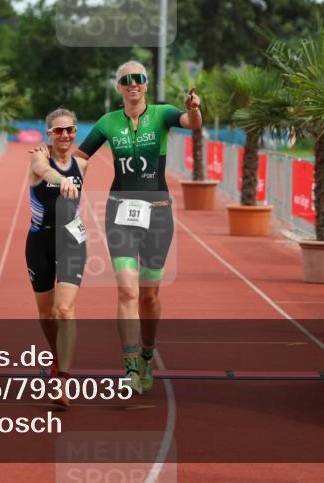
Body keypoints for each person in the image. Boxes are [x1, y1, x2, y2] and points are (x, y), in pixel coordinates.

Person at [74, 60, 201, 394]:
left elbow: (192, 124)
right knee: (128, 290)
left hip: (158, 215)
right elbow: (82, 156)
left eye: (139, 78)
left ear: (146, 84)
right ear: (118, 86)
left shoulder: (162, 114)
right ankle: (130, 367)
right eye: (126, 79)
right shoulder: (108, 122)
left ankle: (147, 353)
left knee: (149, 295)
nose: (133, 84)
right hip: (120, 213)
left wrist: (194, 109)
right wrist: (68, 174)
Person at [26, 108, 88, 408]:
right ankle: (56, 355)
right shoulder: (38, 158)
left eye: (70, 130)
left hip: (72, 240)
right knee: (47, 315)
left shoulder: (82, 164)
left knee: (64, 310)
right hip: (39, 242)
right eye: (59, 131)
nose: (65, 135)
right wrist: (60, 179)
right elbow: (43, 169)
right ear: (49, 134)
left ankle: (62, 379)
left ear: (75, 132)